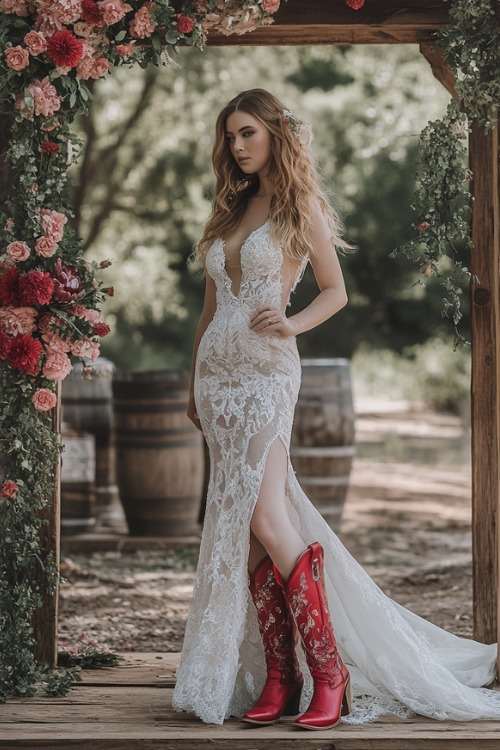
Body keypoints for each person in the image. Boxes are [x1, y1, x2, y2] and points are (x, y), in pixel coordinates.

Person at [171, 89, 500, 728]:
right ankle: (280, 677)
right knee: (244, 528)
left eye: (247, 134)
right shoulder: (229, 209)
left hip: (267, 375)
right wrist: (194, 385)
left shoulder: (302, 207)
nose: (237, 147)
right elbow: (209, 311)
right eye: (229, 137)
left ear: (274, 133)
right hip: (218, 383)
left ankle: (330, 670)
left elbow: (335, 291)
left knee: (267, 515)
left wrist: (292, 324)